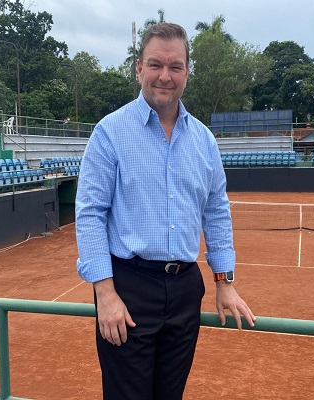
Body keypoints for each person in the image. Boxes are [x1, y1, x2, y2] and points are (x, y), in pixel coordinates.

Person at [75, 22, 256, 400]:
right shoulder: (110, 132)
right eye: (155, 64)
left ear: (187, 72)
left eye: (175, 66)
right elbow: (90, 214)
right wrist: (104, 295)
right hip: (127, 289)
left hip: (185, 290)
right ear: (139, 68)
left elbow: (217, 213)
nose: (165, 76)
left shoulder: (205, 141)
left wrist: (224, 282)